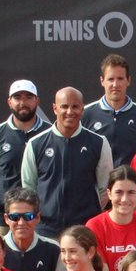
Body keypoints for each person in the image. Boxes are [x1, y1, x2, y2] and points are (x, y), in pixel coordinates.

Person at [21, 86, 113, 238]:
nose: (70, 112)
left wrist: (89, 216)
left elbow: (105, 189)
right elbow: (29, 188)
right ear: (55, 108)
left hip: (84, 229)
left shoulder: (98, 143)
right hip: (46, 230)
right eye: (64, 106)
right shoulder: (35, 144)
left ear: (82, 109)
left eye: (75, 107)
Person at [85, 166, 136, 271]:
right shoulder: (94, 225)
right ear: (109, 194)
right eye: (119, 192)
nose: (124, 199)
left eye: (131, 192)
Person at [0, 79, 50, 222]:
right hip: (4, 217)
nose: (23, 103)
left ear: (37, 101)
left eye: (28, 97)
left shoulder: (50, 133)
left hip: (43, 216)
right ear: (9, 102)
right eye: (17, 98)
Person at [81, 54, 136, 168]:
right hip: (97, 180)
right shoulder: (85, 114)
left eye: (120, 79)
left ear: (128, 80)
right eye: (110, 79)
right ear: (102, 81)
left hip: (132, 179)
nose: (115, 85)